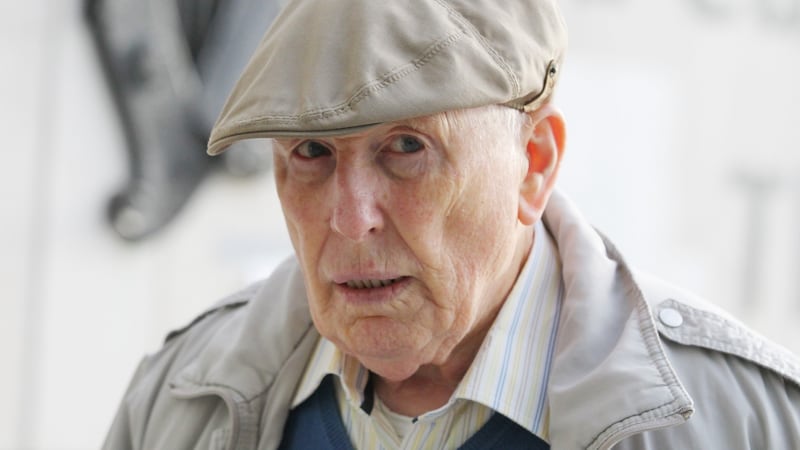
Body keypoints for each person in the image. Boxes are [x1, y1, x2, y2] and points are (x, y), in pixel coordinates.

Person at [103, 0, 800, 448]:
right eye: (311, 152)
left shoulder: (744, 424)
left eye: (407, 148)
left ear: (534, 162)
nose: (350, 220)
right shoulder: (179, 397)